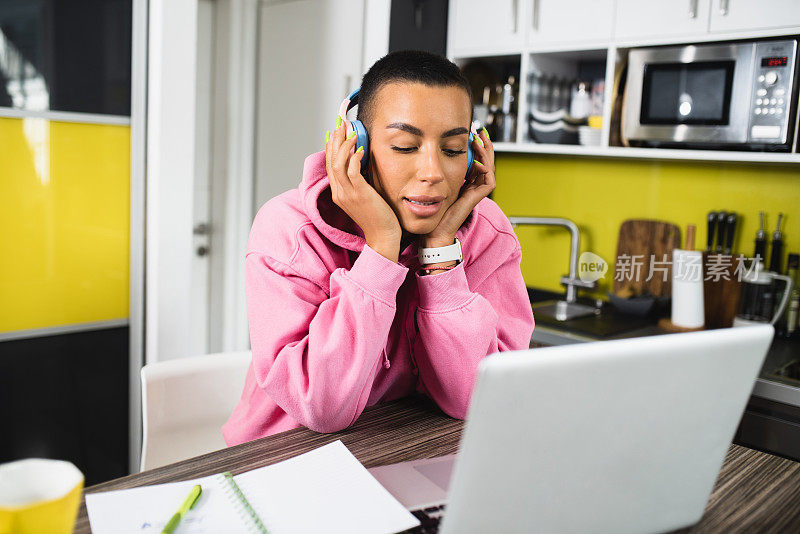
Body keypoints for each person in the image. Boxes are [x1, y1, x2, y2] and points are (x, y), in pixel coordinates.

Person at [222, 50, 534, 445]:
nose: (433, 173)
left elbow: (481, 400)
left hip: (397, 449)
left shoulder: (487, 233)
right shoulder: (288, 228)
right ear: (358, 146)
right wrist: (381, 249)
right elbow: (324, 407)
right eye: (405, 146)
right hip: (280, 459)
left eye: (453, 149)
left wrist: (440, 251)